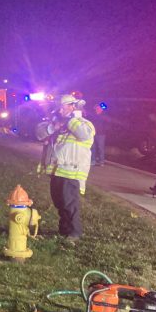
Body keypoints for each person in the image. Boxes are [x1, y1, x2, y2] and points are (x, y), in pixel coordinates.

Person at [36, 94, 95, 242]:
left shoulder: (84, 124)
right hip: (57, 171)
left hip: (72, 172)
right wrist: (53, 126)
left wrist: (70, 119)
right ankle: (64, 229)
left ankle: (74, 232)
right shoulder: (57, 124)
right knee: (59, 202)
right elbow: (39, 133)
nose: (58, 110)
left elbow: (84, 135)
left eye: (61, 107)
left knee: (69, 203)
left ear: (72, 107)